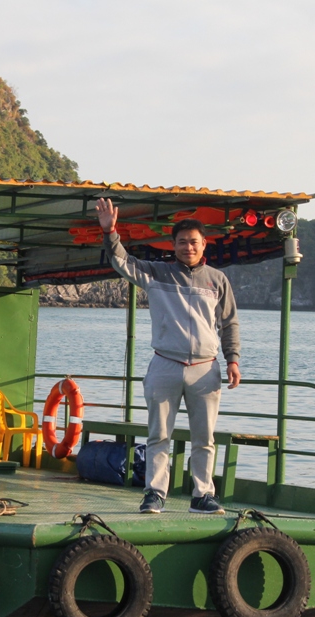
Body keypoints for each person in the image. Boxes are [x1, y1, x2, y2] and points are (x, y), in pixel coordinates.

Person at [96, 198, 241, 515]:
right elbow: (122, 262)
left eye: (194, 242)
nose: (188, 247)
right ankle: (154, 494)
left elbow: (229, 322)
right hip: (165, 363)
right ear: (173, 245)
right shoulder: (157, 274)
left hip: (205, 368)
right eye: (182, 242)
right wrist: (110, 232)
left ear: (205, 244)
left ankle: (202, 495)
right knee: (158, 435)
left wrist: (232, 360)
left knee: (204, 438)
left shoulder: (218, 281)